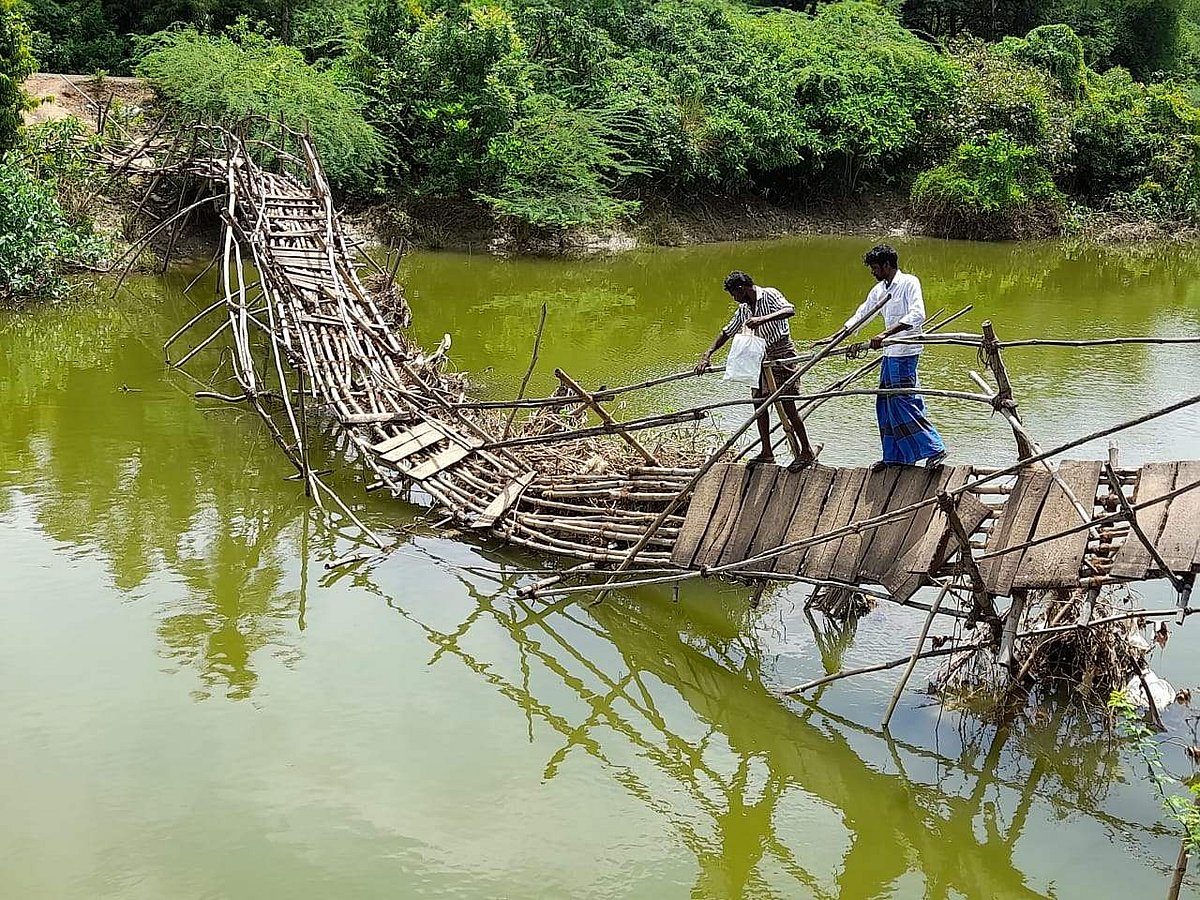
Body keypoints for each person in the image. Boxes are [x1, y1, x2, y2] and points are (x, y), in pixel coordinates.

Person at [695, 271, 819, 470]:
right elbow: (727, 331)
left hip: (781, 355)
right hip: (760, 357)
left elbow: (789, 310)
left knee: (788, 405)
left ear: (742, 289)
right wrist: (707, 354)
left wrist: (762, 320)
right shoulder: (744, 309)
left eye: (734, 294)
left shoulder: (769, 294)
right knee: (759, 405)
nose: (734, 299)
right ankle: (767, 452)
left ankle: (806, 451)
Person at [844, 244, 947, 471]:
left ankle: (934, 447)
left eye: (875, 268)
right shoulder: (880, 289)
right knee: (885, 401)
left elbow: (918, 314)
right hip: (890, 352)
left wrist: (886, 333)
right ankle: (895, 457)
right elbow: (863, 313)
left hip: (905, 350)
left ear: (887, 265)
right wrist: (841, 334)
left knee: (903, 400)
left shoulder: (909, 282)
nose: (872, 272)